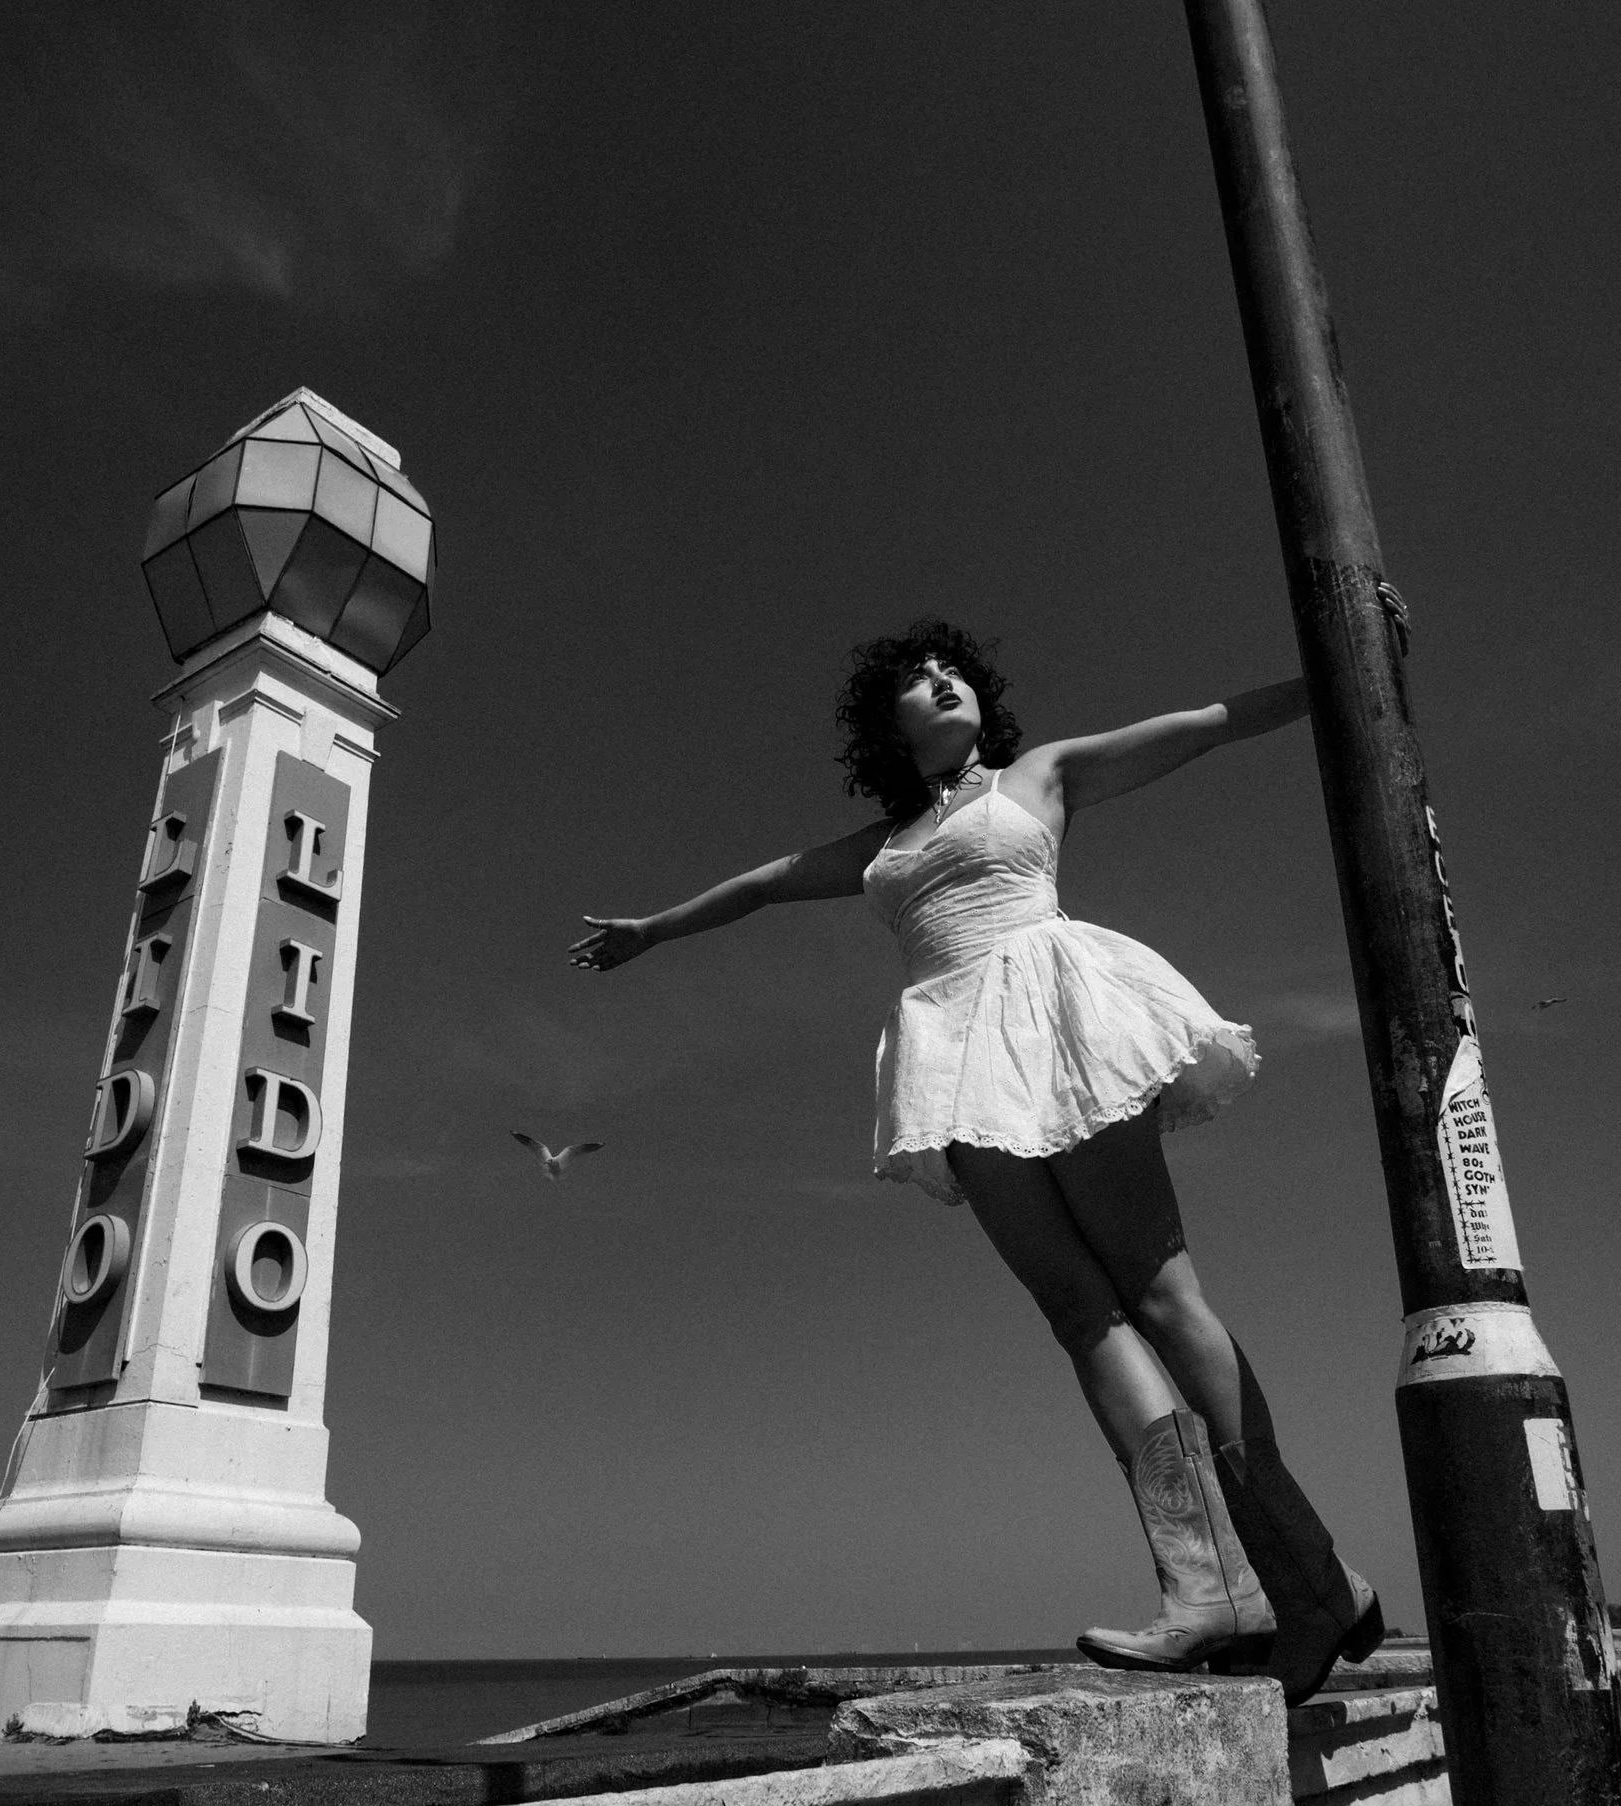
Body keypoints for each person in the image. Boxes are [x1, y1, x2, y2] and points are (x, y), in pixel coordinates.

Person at [570, 619, 1381, 1702]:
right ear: (886, 723)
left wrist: (1345, 667)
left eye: (951, 669)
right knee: (1076, 1312)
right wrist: (652, 931)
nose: (941, 681)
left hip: (1052, 1011)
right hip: (952, 1053)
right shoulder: (880, 847)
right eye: (915, 677)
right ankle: (1210, 1591)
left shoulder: (1038, 776)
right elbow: (763, 883)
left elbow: (1202, 728)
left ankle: (1310, 1574)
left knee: (1156, 1287)